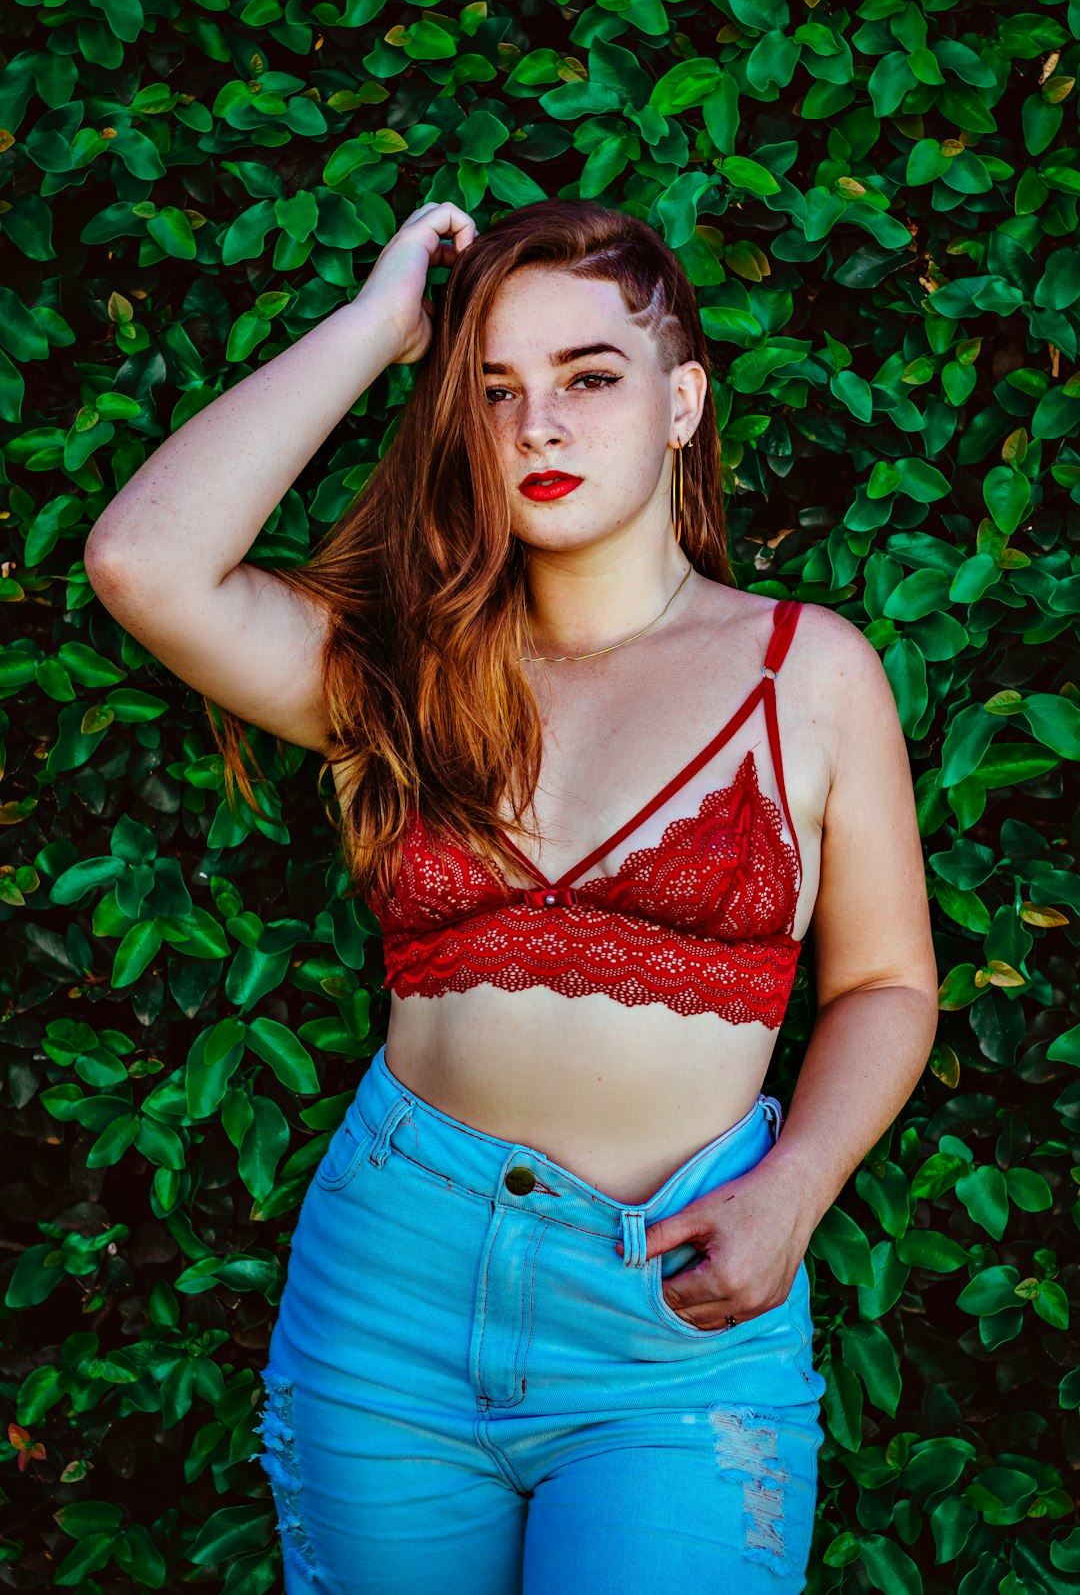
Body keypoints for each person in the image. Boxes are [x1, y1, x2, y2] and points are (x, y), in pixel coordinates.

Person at [84, 196, 939, 1593]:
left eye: (589, 378)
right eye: (494, 392)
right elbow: (142, 562)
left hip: (669, 1333)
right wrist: (378, 330)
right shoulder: (408, 671)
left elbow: (888, 983)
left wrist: (799, 1185)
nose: (537, 425)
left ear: (683, 402)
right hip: (392, 1294)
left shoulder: (812, 672)